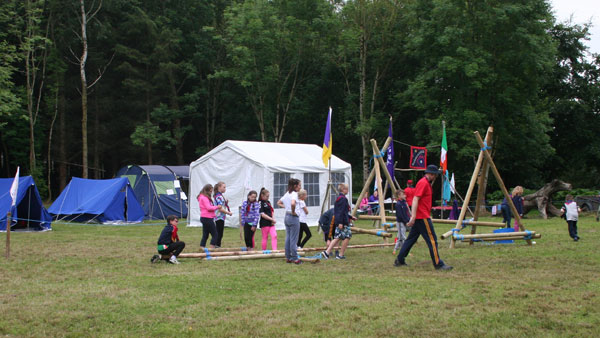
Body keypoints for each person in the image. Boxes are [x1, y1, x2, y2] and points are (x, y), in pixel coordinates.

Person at [394, 165, 452, 271]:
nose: (435, 177)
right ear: (431, 174)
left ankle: (400, 260)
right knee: (433, 241)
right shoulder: (423, 183)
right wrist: (414, 216)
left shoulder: (425, 183)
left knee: (411, 239)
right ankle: (438, 264)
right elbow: (416, 199)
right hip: (422, 217)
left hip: (421, 216)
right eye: (435, 175)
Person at [322, 183, 355, 260]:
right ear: (344, 189)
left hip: (340, 221)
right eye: (347, 189)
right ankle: (340, 254)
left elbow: (341, 211)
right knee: (347, 236)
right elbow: (340, 212)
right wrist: (340, 222)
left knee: (337, 237)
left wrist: (350, 217)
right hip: (342, 222)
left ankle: (327, 252)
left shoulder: (339, 198)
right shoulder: (343, 199)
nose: (348, 190)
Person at [277, 178, 302, 264]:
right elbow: (292, 203)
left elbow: (279, 202)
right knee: (293, 239)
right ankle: (295, 258)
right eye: (299, 185)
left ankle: (288, 257)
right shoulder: (294, 194)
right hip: (293, 217)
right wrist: (293, 211)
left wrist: (286, 208)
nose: (300, 187)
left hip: (286, 216)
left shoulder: (287, 193)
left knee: (288, 238)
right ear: (295, 186)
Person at [198, 184, 229, 249]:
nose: (211, 192)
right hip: (207, 218)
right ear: (207, 191)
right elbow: (209, 208)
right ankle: (212, 249)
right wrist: (217, 207)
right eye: (210, 191)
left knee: (205, 235)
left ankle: (202, 248)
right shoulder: (204, 198)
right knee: (215, 234)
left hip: (205, 217)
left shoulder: (202, 197)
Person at [213, 181, 232, 248]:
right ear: (219, 187)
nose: (225, 189)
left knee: (219, 232)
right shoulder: (219, 196)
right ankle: (217, 245)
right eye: (224, 187)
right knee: (219, 232)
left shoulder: (220, 195)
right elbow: (220, 208)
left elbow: (221, 205)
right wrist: (228, 213)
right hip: (219, 216)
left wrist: (225, 202)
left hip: (220, 216)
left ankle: (217, 245)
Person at [393, 189, 410, 255]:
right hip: (400, 222)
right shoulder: (398, 204)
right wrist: (405, 221)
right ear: (399, 196)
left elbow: (406, 213)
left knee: (400, 237)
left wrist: (408, 220)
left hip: (404, 222)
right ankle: (404, 251)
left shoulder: (404, 203)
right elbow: (400, 215)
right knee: (403, 237)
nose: (405, 195)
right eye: (403, 194)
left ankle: (396, 250)